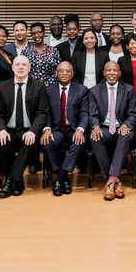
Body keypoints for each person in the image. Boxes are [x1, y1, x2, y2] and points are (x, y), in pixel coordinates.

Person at [0, 56, 50, 199]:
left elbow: (42, 113)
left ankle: (11, 180)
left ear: (29, 67)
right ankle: (18, 181)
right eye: (17, 64)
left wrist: (32, 131)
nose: (20, 67)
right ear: (12, 67)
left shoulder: (39, 86)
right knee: (1, 143)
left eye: (24, 64)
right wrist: (1, 130)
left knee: (29, 142)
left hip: (28, 129)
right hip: (9, 130)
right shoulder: (3, 86)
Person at [88, 61, 136, 201]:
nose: (111, 73)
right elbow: (92, 115)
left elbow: (134, 114)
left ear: (119, 73)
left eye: (114, 70)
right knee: (95, 137)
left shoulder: (128, 90)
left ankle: (110, 182)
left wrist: (126, 125)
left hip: (121, 127)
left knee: (126, 135)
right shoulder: (94, 91)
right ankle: (115, 181)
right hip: (103, 128)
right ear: (104, 73)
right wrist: (95, 126)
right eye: (108, 70)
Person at [40, 61, 90, 196]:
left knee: (80, 141)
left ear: (72, 74)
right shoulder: (48, 90)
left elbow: (84, 113)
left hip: (73, 129)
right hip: (56, 129)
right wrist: (47, 129)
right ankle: (64, 178)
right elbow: (45, 112)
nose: (64, 73)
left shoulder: (82, 90)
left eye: (68, 71)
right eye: (61, 70)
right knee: (47, 142)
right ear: (56, 73)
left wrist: (80, 130)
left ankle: (59, 179)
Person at [24, 21, 61, 87]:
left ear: (44, 33)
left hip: (50, 89)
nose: (36, 36)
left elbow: (57, 71)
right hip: (31, 89)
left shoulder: (53, 51)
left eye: (39, 32)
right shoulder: (26, 52)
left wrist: (46, 85)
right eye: (34, 33)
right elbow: (23, 71)